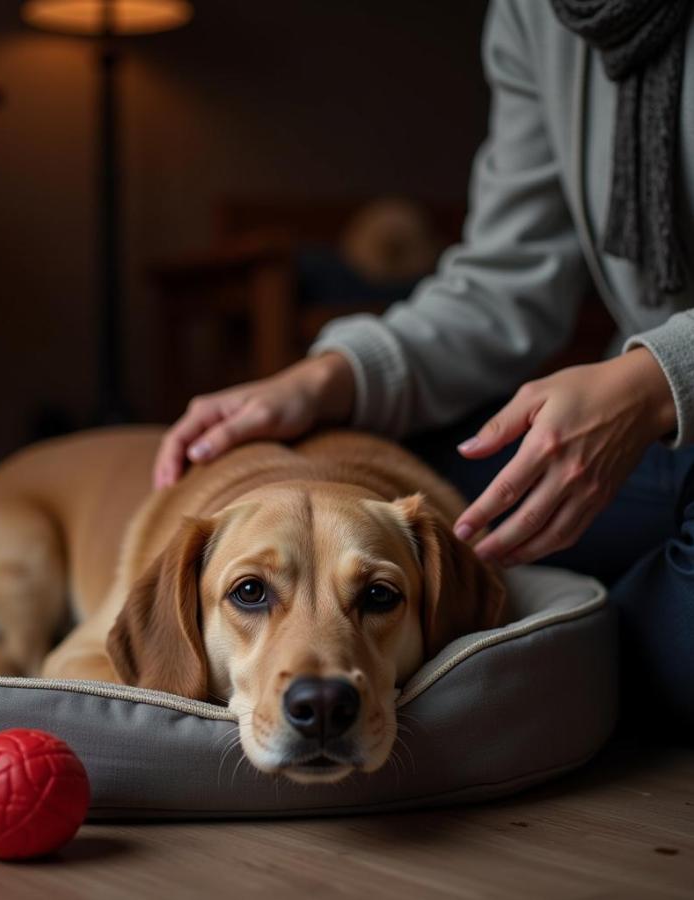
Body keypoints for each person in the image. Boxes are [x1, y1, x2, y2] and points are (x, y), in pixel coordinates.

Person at [153, 0, 694, 732]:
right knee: (369, 480)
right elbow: (507, 285)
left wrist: (658, 379)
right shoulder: (536, 13)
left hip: (663, 393)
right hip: (661, 439)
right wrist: (323, 381)